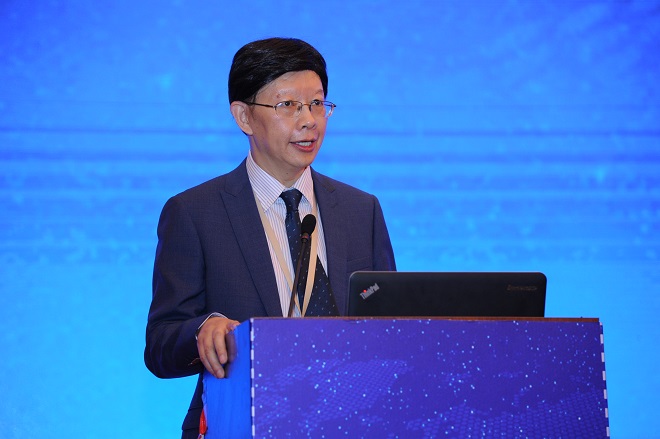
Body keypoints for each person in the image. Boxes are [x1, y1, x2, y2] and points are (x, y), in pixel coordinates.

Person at [144, 37, 396, 439]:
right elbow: (160, 345)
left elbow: (392, 329)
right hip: (239, 423)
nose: (309, 120)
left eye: (317, 103)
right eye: (288, 105)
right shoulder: (195, 213)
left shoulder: (360, 210)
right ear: (243, 117)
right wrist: (204, 329)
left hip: (353, 422)